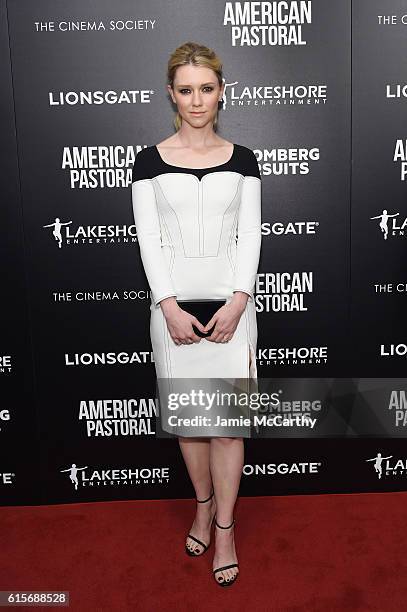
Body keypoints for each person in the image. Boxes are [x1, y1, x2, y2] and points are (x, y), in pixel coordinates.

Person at [131, 41, 262, 588]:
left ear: (221, 91)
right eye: (186, 90)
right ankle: (203, 507)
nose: (196, 99)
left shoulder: (243, 158)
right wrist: (168, 307)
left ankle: (226, 529)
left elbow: (250, 236)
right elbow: (149, 243)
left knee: (228, 430)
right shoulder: (149, 160)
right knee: (191, 426)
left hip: (233, 311)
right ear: (171, 94)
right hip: (174, 314)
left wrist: (239, 300)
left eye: (205, 88)